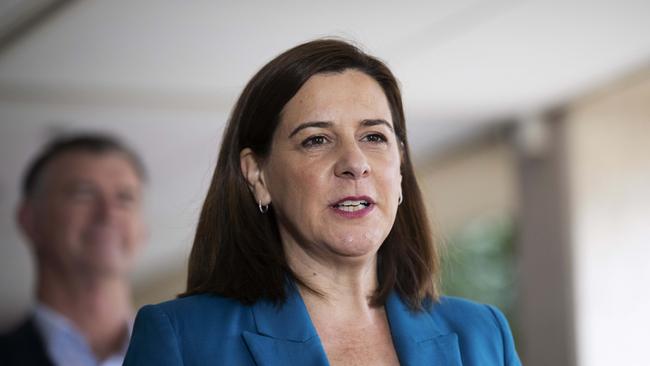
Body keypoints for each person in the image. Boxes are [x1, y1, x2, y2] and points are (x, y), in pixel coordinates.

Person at [123, 39, 521, 365]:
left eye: (374, 137)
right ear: (258, 176)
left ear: (400, 167)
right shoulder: (182, 339)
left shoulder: (482, 334)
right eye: (316, 139)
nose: (354, 163)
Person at [0, 134, 148, 366]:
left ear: (143, 230)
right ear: (29, 220)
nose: (108, 214)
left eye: (125, 198)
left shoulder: (194, 357)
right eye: (83, 193)